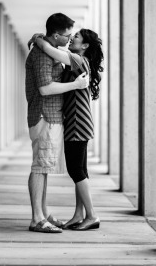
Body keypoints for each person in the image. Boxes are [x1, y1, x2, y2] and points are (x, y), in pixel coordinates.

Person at [29, 28, 104, 231]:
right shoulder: (78, 61)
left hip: (76, 123)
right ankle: (79, 214)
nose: (72, 39)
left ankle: (92, 215)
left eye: (76, 37)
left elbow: (51, 51)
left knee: (76, 170)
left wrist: (38, 39)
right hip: (79, 122)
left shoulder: (79, 60)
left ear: (85, 46)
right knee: (81, 170)